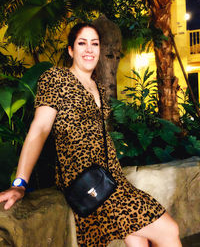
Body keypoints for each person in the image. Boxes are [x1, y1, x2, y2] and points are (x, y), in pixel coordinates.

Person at [0, 23, 182, 247]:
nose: (89, 49)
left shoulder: (98, 87)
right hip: (87, 182)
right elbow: (40, 129)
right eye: (82, 43)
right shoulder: (56, 78)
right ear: (70, 50)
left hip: (112, 178)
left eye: (94, 43)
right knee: (169, 230)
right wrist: (20, 183)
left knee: (139, 240)